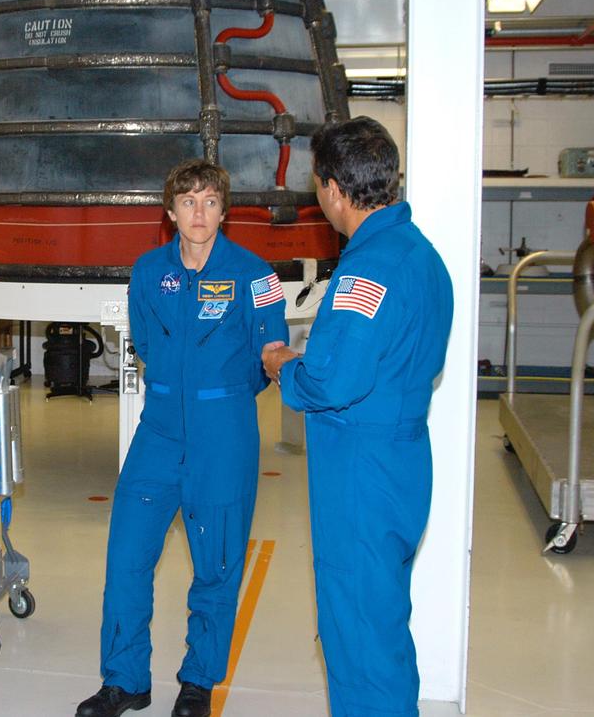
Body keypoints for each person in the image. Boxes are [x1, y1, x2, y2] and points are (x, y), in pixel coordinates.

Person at [77, 160, 288, 717]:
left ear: (224, 210)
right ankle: (125, 679)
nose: (199, 212)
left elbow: (270, 349)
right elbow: (145, 340)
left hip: (225, 433)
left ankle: (199, 682)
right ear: (170, 212)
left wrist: (264, 372)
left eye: (210, 201)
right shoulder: (148, 272)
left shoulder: (255, 274)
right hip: (160, 430)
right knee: (127, 555)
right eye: (188, 201)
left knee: (216, 565)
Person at [261, 116, 452, 717]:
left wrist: (285, 367)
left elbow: (335, 380)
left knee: (358, 634)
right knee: (383, 623)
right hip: (400, 462)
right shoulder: (421, 254)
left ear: (336, 191)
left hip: (360, 477)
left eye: (318, 185)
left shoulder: (368, 269)